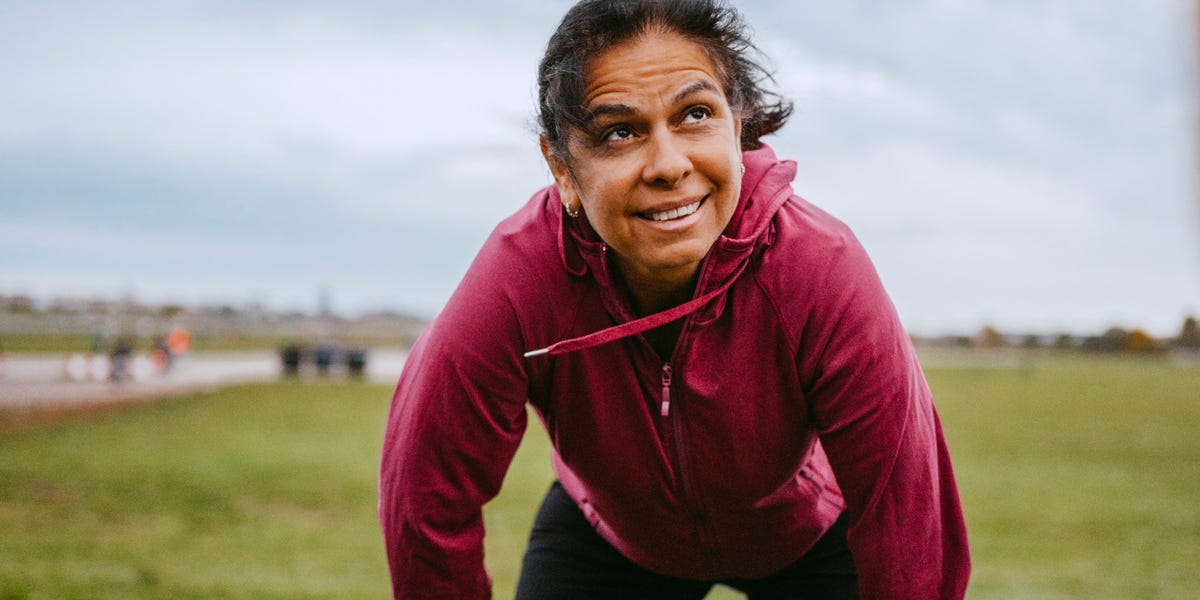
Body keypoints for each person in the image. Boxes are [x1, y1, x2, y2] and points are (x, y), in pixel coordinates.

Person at [379, 1, 971, 598]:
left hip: (807, 537)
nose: (668, 165)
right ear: (561, 167)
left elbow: (909, 516)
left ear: (737, 128)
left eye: (695, 114)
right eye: (619, 131)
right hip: (611, 539)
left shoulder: (821, 267)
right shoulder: (517, 280)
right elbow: (425, 501)